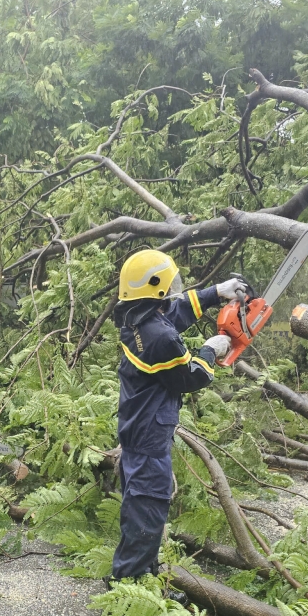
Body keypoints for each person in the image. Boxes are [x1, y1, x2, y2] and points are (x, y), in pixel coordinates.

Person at [110, 249, 247, 592]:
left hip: (138, 430)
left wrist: (217, 293)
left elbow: (177, 308)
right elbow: (190, 378)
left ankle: (143, 574)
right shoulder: (159, 337)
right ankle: (129, 589)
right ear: (154, 288)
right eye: (168, 284)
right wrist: (208, 352)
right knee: (148, 509)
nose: (173, 291)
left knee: (144, 509)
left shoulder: (137, 315)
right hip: (149, 437)